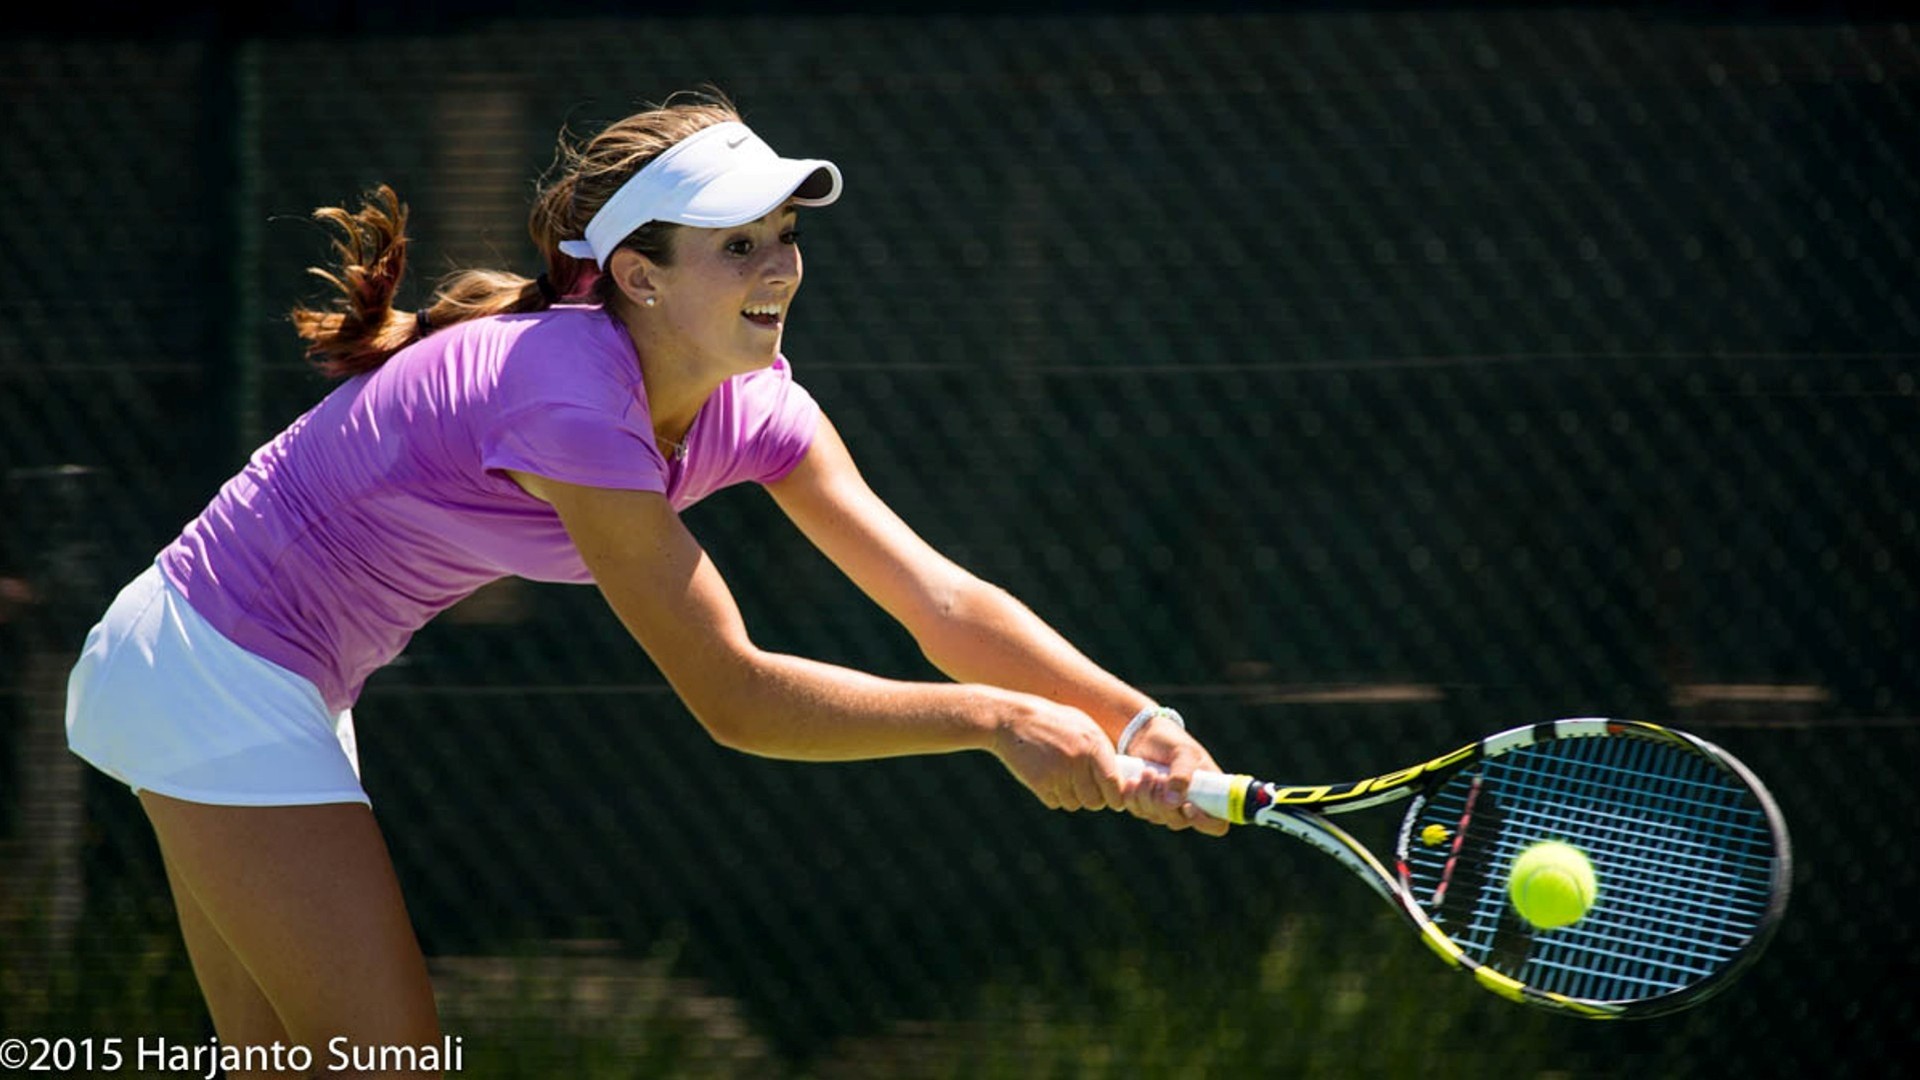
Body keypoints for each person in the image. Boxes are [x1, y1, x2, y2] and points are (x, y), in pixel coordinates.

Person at [64, 90, 1226, 1077]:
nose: (780, 268)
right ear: (640, 275)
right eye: (738, 245)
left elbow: (942, 600)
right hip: (208, 668)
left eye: (785, 237)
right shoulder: (568, 392)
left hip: (263, 680)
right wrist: (996, 721)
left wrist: (1139, 719)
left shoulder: (759, 406)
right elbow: (734, 695)